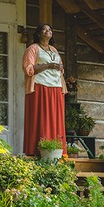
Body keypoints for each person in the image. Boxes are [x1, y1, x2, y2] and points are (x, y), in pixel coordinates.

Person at [22, 23, 67, 156]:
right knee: (41, 118)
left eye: (50, 30)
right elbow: (28, 68)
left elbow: (60, 68)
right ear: (38, 33)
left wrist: (59, 67)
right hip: (40, 86)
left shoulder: (54, 50)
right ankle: (38, 150)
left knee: (55, 118)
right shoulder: (33, 49)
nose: (48, 31)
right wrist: (48, 65)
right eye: (45, 29)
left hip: (56, 86)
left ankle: (56, 151)